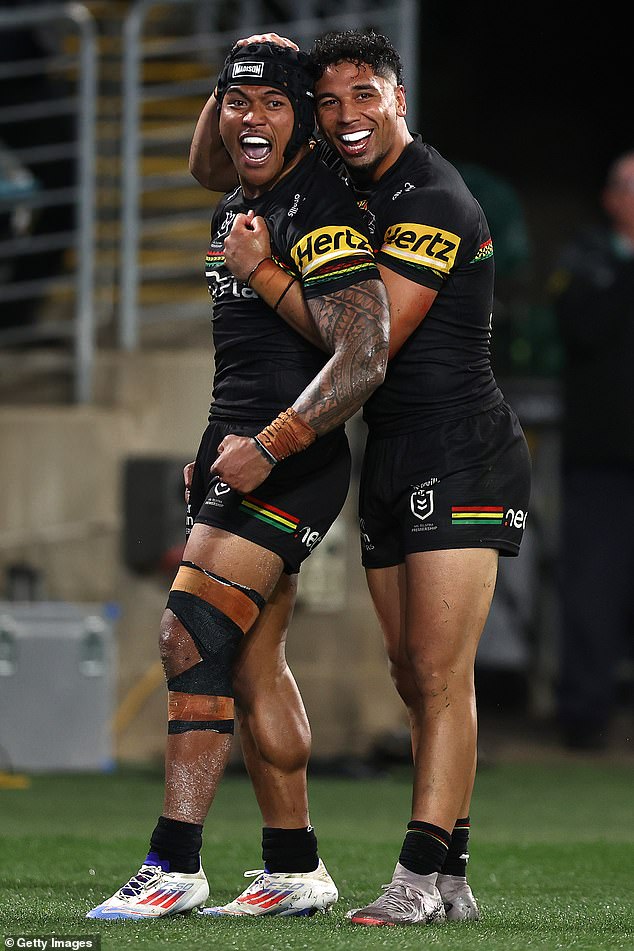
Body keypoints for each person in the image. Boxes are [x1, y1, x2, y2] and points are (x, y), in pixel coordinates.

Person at [192, 28, 532, 927]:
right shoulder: (354, 187)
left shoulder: (431, 197)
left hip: (462, 449)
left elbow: (370, 346)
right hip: (392, 453)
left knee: (437, 669)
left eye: (364, 97)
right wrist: (241, 71)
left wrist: (262, 274)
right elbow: (207, 168)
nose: (345, 118)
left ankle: (419, 876)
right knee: (409, 675)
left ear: (400, 97)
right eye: (330, 101)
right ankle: (450, 876)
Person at [86, 40, 389, 920]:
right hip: (238, 443)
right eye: (233, 102)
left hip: (287, 455)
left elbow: (363, 355)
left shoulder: (318, 206)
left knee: (188, 634)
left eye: (273, 104)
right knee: (255, 667)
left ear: (304, 119)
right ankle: (295, 868)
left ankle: (174, 861)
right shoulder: (244, 195)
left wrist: (269, 441)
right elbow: (205, 158)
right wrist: (222, 437)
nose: (248, 119)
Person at [550, 151, 634, 751]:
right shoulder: (586, 257)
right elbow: (582, 326)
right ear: (610, 198)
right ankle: (584, 720)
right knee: (592, 591)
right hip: (602, 458)